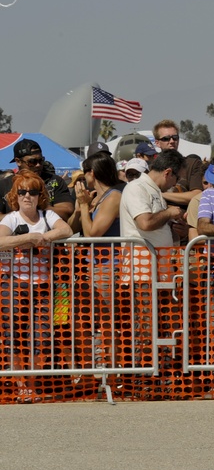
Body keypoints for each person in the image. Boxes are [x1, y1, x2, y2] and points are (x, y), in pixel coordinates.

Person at [0, 171, 73, 391]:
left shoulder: (46, 216)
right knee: (14, 335)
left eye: (32, 192)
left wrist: (40, 238)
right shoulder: (11, 218)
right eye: (22, 191)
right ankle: (21, 386)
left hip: (42, 285)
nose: (27, 196)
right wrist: (27, 238)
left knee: (40, 338)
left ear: (39, 195)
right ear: (15, 195)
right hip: (13, 284)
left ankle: (32, 384)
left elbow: (66, 229)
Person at [120, 150, 187, 247]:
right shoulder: (136, 187)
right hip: (142, 260)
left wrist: (176, 227)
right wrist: (169, 213)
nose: (175, 184)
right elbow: (145, 223)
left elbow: (157, 226)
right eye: (177, 178)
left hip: (158, 259)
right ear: (168, 173)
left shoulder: (155, 190)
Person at [0, 139, 74, 221]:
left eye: (41, 160)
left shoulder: (54, 180)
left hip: (49, 232)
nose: (38, 165)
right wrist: (21, 214)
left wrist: (40, 207)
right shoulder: (4, 184)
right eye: (32, 161)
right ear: (18, 161)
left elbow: (67, 211)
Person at [154, 120, 205, 210]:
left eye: (175, 137)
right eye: (166, 138)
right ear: (157, 143)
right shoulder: (153, 167)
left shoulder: (192, 164)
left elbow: (197, 195)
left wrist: (162, 195)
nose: (172, 141)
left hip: (185, 220)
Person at [71, 153, 122, 237]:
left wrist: (84, 204)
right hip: (94, 250)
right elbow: (72, 229)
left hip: (110, 250)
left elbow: (91, 236)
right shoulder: (96, 198)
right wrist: (78, 211)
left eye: (84, 171)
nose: (84, 176)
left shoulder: (113, 197)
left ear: (92, 172)